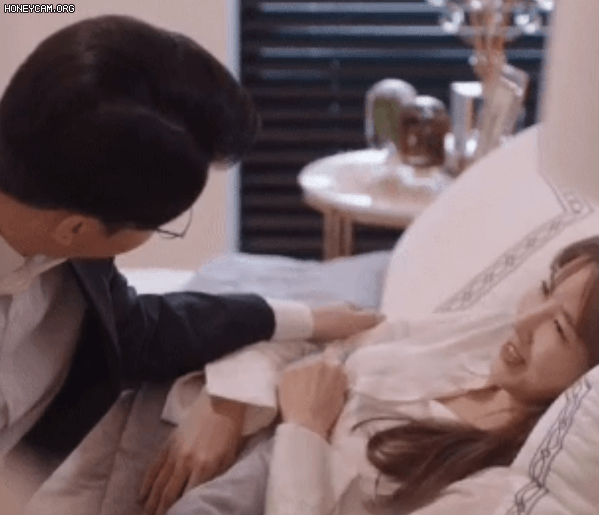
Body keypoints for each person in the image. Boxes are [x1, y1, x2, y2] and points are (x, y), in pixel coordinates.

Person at [0, 13, 381, 477]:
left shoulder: (56, 199)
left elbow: (139, 330)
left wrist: (302, 321)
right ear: (76, 229)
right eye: (160, 226)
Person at [151, 234, 599, 515]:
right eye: (544, 289)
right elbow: (330, 333)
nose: (524, 321)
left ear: (598, 371)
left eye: (559, 329)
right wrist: (224, 402)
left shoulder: (495, 484)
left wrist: (305, 428)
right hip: (210, 422)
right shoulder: (481, 340)